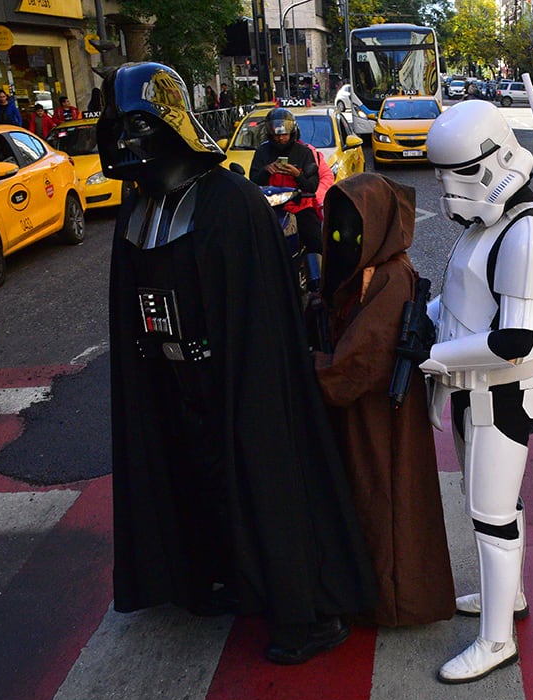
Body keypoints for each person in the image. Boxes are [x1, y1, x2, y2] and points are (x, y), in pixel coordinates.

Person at [97, 62, 375, 664]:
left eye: (138, 127)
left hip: (240, 379)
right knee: (188, 475)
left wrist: (242, 380)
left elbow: (260, 316)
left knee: (263, 481)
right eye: (118, 129)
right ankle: (202, 581)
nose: (125, 145)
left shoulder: (230, 201)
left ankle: (297, 618)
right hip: (169, 379)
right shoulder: (138, 206)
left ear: (169, 125)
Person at [415, 100, 533, 683]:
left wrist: (432, 357)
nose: (450, 191)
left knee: (492, 515)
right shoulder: (491, 223)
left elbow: (515, 340)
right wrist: (421, 323)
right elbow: (461, 303)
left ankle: (497, 639)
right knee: (493, 509)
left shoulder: (527, 232)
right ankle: (510, 597)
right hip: (470, 389)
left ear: (495, 161)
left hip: (501, 394)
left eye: (461, 174)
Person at [313, 172, 456, 627]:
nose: (344, 240)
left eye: (354, 229)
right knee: (366, 498)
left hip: (380, 417)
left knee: (386, 501)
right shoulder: (369, 268)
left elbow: (360, 363)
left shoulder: (391, 276)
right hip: (363, 415)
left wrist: (305, 367)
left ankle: (393, 601)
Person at [251, 108, 323, 293]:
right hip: (270, 207)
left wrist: (297, 174)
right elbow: (253, 180)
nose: (280, 139)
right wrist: (266, 171)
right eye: (276, 135)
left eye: (284, 135)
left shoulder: (304, 152)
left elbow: (312, 186)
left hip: (299, 205)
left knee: (315, 239)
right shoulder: (262, 152)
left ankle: (318, 283)